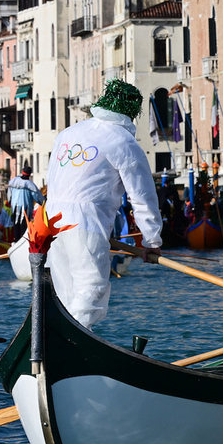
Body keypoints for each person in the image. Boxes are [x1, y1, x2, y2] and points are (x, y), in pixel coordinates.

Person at [46, 78, 163, 329]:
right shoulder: (123, 141)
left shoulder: (67, 134)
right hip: (85, 224)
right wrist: (152, 241)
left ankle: (59, 341)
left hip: (51, 223)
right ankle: (71, 342)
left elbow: (53, 181)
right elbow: (142, 196)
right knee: (91, 289)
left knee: (66, 293)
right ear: (132, 112)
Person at [8, 165, 45, 240]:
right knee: (24, 226)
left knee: (16, 224)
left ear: (22, 172)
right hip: (26, 208)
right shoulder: (31, 185)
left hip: (15, 207)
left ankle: (16, 240)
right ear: (30, 174)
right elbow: (37, 197)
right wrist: (43, 202)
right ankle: (23, 240)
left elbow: (9, 194)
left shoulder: (14, 182)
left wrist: (9, 200)